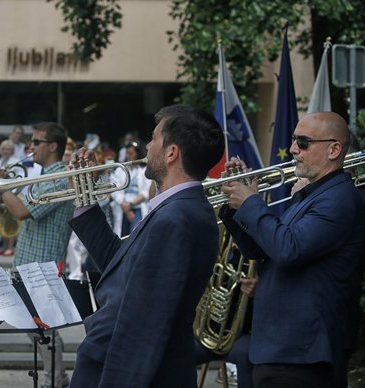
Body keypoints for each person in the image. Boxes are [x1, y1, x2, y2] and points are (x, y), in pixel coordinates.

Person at [67, 105, 225, 387]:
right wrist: (85, 200)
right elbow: (121, 267)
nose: (148, 146)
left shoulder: (175, 219)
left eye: (153, 138)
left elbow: (142, 325)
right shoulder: (175, 210)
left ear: (171, 153)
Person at [218, 111, 364, 388]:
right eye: (294, 140)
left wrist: (251, 203)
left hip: (303, 352)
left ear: (334, 149)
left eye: (304, 142)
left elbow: (288, 250)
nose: (294, 149)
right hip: (280, 348)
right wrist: (234, 202)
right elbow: (263, 250)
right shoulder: (310, 196)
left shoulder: (339, 198)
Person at [0, 122, 75, 388]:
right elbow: (19, 207)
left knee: (44, 330)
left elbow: (22, 212)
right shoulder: (43, 176)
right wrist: (7, 187)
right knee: (38, 330)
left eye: (36, 142)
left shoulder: (59, 177)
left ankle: (54, 380)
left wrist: (1, 184)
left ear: (52, 146)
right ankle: (57, 377)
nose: (30, 147)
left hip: (42, 266)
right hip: (29, 262)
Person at [110, 141, 152, 236]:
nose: (128, 156)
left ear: (137, 154)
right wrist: (126, 207)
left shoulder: (144, 170)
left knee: (135, 235)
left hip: (138, 207)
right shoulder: (120, 170)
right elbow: (115, 190)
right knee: (122, 236)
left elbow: (147, 191)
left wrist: (131, 204)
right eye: (127, 153)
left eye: (131, 153)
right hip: (123, 207)